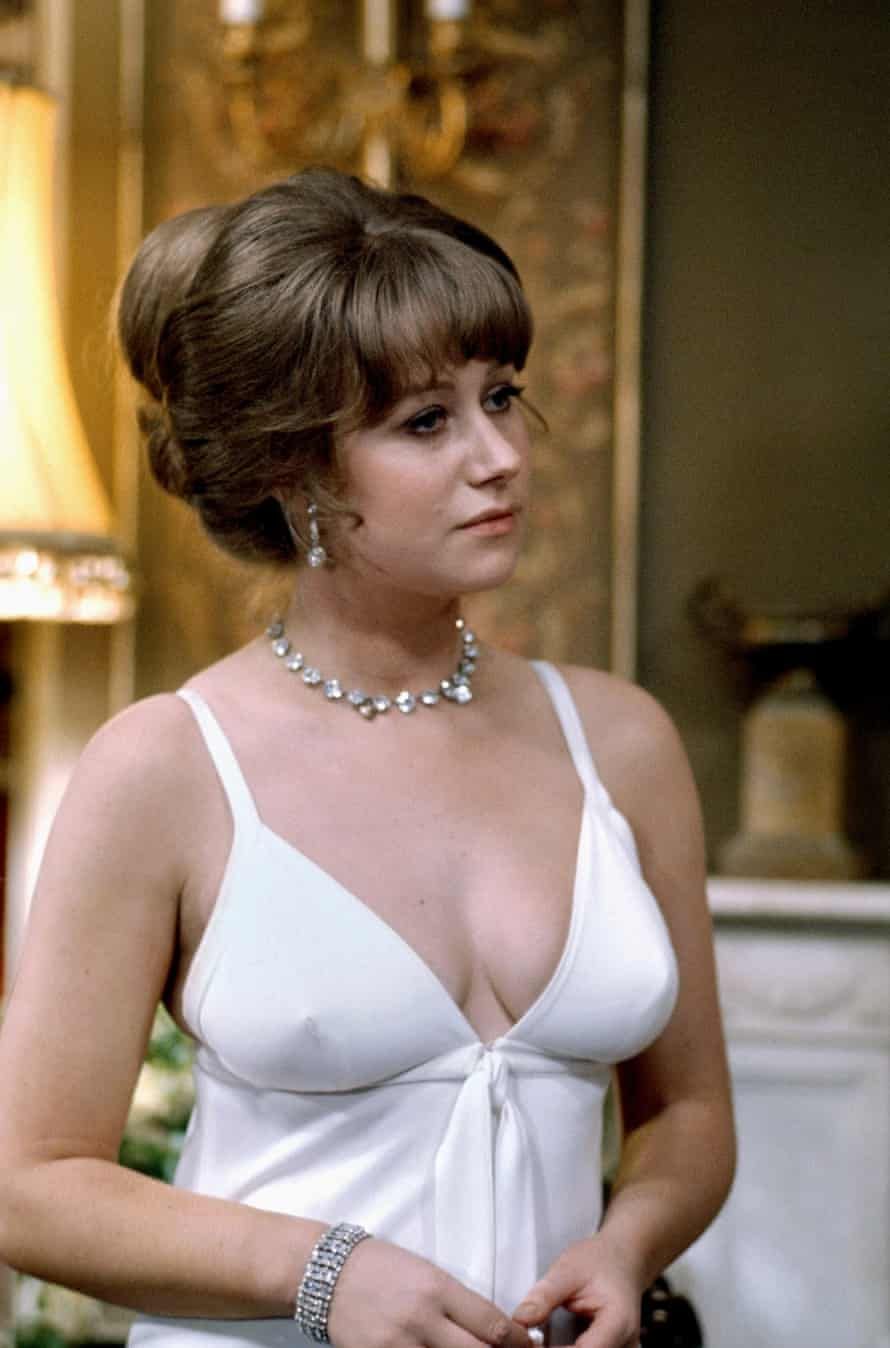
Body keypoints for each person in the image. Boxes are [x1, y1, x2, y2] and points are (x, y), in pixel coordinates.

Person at [0, 168, 734, 1348]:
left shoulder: (621, 741)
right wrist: (322, 1270)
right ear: (293, 468)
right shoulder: (167, 766)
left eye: (501, 396)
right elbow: (28, 1184)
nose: (499, 455)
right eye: (426, 421)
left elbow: (687, 1111)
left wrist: (624, 1242)